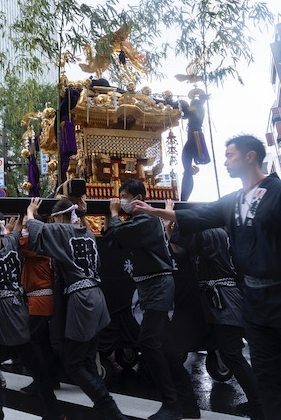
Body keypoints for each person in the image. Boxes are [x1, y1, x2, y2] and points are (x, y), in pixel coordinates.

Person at [131, 135, 281, 420]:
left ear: (250, 156)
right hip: (256, 300)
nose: (225, 162)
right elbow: (198, 216)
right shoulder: (233, 201)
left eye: (230, 155)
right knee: (267, 378)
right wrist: (153, 211)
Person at [26, 197, 127, 420]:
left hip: (82, 300)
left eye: (55, 218)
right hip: (96, 296)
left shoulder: (64, 231)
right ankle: (103, 409)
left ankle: (111, 410)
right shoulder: (88, 233)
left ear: (61, 217)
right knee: (88, 359)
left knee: (73, 363)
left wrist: (31, 213)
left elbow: (37, 234)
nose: (53, 223)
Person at [0, 196, 65, 420]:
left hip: (1, 313)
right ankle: (54, 412)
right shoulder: (11, 245)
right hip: (20, 309)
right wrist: (26, 212)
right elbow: (18, 229)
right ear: (3, 230)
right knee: (34, 364)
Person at [164, 199, 263, 420]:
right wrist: (168, 224)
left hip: (224, 301)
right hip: (216, 301)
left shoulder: (213, 234)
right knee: (230, 354)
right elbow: (179, 250)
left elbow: (183, 238)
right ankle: (258, 400)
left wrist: (171, 217)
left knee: (232, 355)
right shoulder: (211, 235)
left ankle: (260, 402)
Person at [103, 180, 182, 420]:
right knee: (162, 345)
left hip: (158, 284)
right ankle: (185, 402)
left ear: (138, 197)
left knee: (148, 342)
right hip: (149, 285)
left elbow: (119, 233)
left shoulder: (146, 220)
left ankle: (172, 404)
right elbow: (112, 240)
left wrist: (114, 213)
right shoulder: (138, 221)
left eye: (125, 196)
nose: (121, 200)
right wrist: (112, 218)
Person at [18, 215, 60, 395]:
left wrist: (25, 228)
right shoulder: (47, 246)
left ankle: (41, 380)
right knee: (42, 342)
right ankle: (51, 378)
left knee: (33, 342)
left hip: (39, 299)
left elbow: (23, 246)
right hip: (43, 298)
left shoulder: (39, 248)